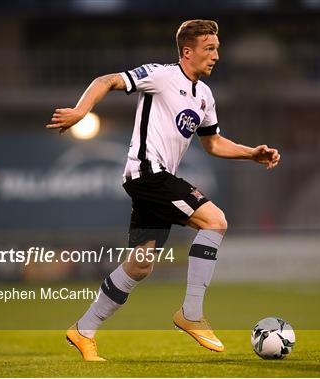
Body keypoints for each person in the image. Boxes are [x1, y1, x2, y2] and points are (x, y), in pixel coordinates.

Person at [46, 19, 280, 361]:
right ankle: (192, 314)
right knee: (215, 221)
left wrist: (251, 153)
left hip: (155, 181)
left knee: (140, 265)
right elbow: (107, 80)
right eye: (209, 49)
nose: (216, 55)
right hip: (146, 173)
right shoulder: (161, 75)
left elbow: (212, 143)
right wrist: (81, 111)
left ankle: (83, 330)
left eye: (217, 48)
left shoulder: (204, 95)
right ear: (188, 51)